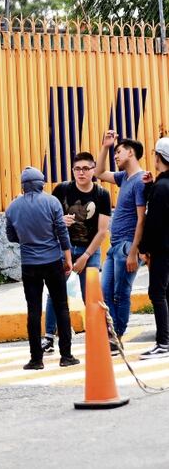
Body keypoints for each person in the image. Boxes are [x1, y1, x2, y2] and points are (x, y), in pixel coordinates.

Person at [5, 167, 79, 369]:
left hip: (29, 264)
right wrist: (68, 257)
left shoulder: (13, 207)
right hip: (53, 261)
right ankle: (66, 355)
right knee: (61, 306)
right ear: (41, 183)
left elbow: (11, 236)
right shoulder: (52, 202)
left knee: (33, 311)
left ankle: (36, 359)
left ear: (23, 185)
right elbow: (62, 232)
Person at [42, 152, 111, 353]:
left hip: (89, 250)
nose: (81, 173)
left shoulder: (101, 195)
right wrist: (60, 221)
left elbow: (102, 231)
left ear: (93, 170)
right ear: (72, 170)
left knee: (92, 295)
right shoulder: (62, 190)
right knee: (55, 292)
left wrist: (85, 257)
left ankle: (99, 336)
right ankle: (48, 337)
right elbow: (48, 219)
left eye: (86, 168)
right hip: (64, 249)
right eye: (77, 169)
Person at [97, 131, 149, 347]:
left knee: (121, 292)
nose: (115, 156)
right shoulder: (124, 178)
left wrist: (134, 251)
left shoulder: (140, 181)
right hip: (114, 246)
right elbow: (99, 172)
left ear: (131, 152)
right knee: (105, 290)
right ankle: (112, 334)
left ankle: (117, 334)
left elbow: (141, 219)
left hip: (127, 245)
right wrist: (105, 146)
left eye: (118, 152)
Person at [140, 138, 169, 359]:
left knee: (157, 293)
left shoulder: (161, 187)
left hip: (162, 249)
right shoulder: (161, 185)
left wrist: (144, 248)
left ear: (159, 156)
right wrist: (151, 186)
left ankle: (163, 343)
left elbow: (154, 221)